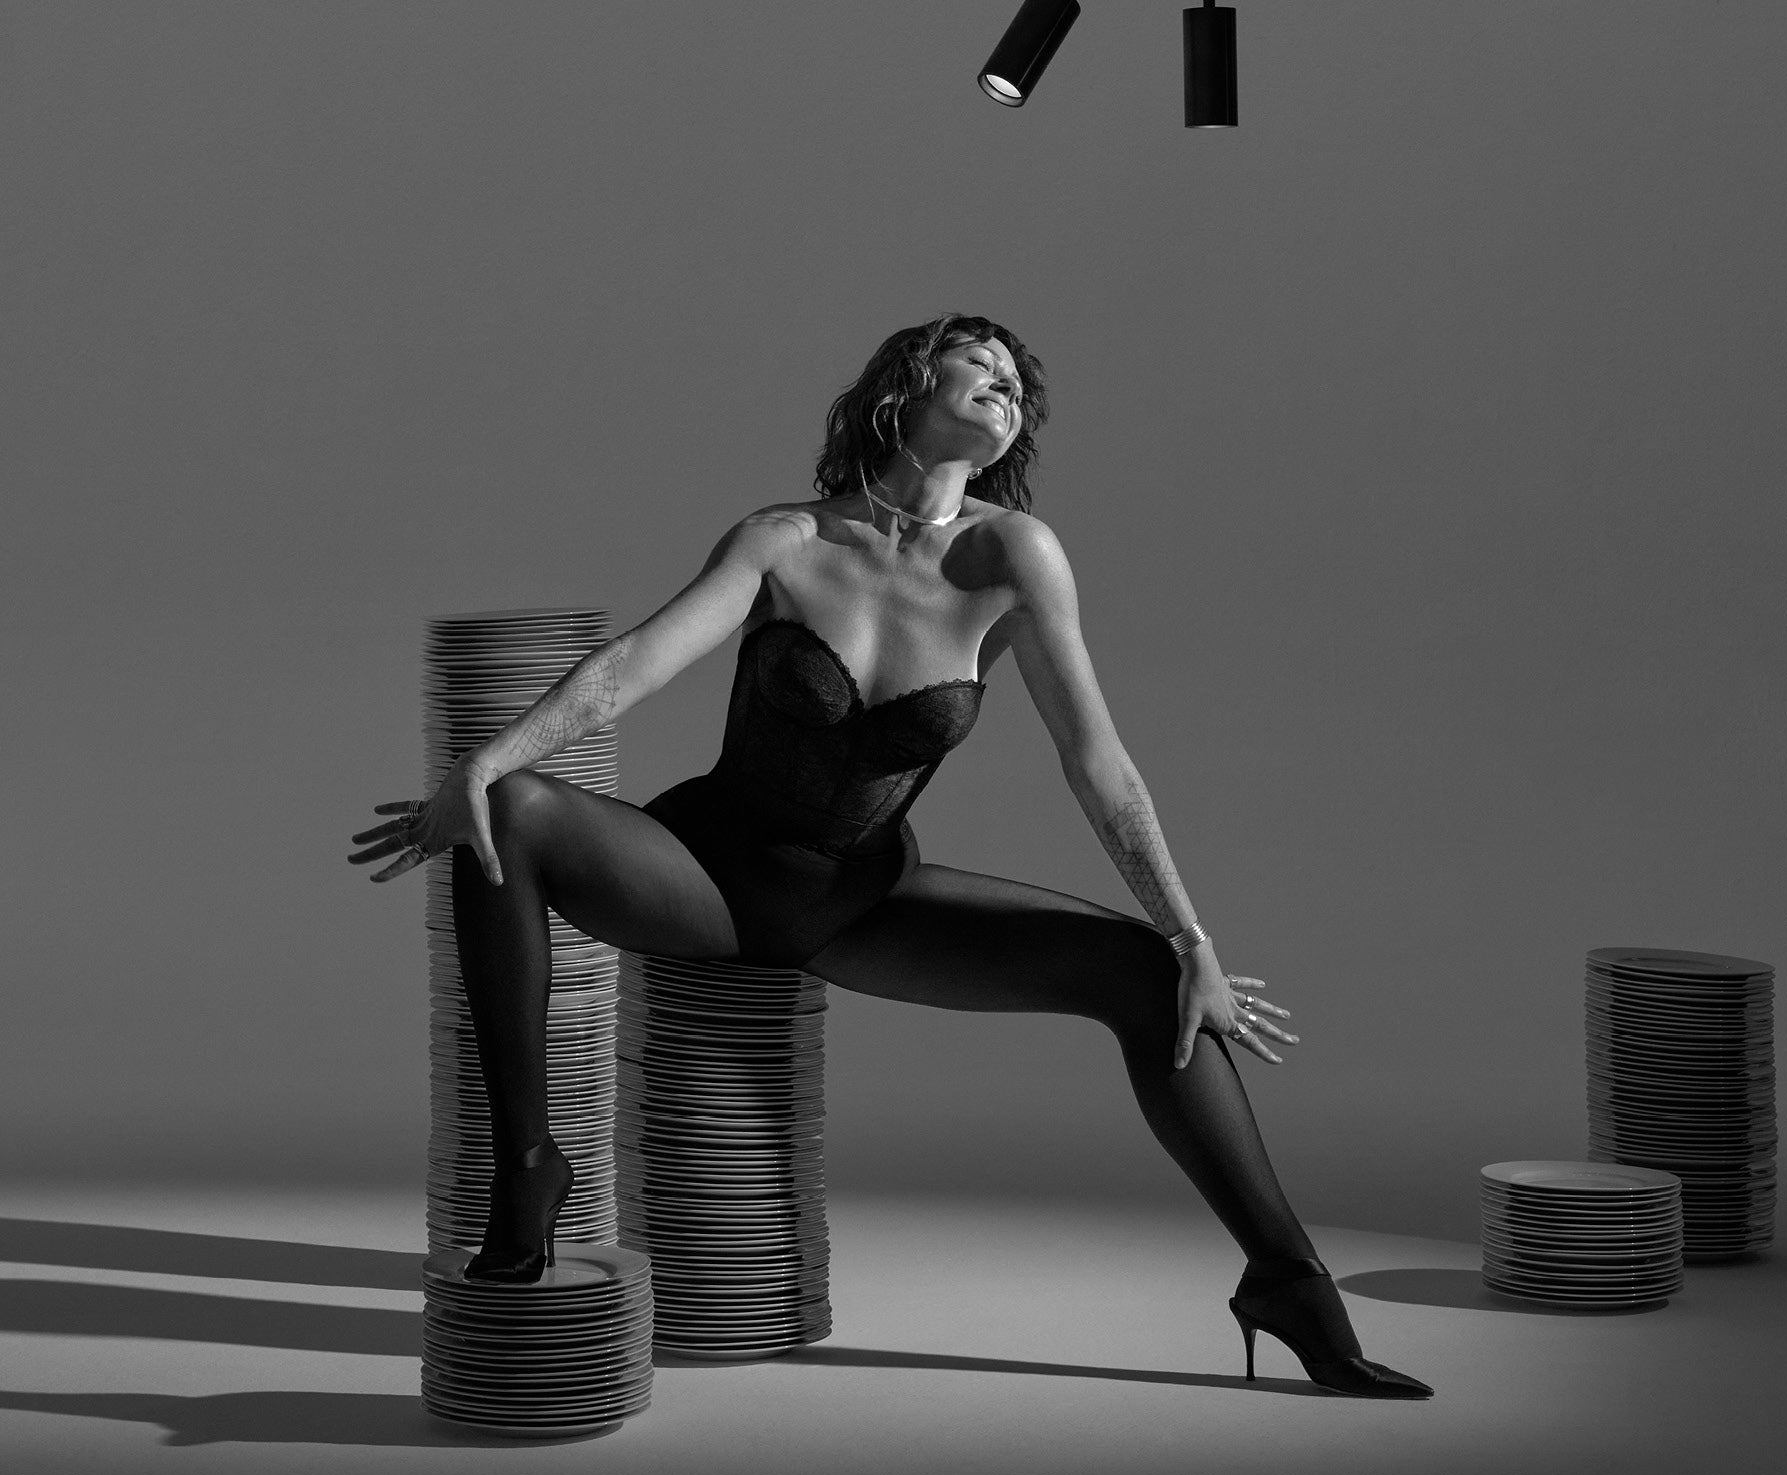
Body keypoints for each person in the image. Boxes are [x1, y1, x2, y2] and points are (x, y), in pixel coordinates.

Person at [351, 315, 1429, 1399]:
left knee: (1152, 979)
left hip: (861, 902)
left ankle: (1287, 1282)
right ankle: (527, 1168)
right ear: (905, 383)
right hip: (707, 874)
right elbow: (627, 667)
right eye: (984, 365)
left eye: (1020, 385)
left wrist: (1192, 936)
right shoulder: (783, 538)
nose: (1007, 387)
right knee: (511, 809)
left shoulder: (1014, 555)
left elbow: (1097, 761)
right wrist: (481, 763)